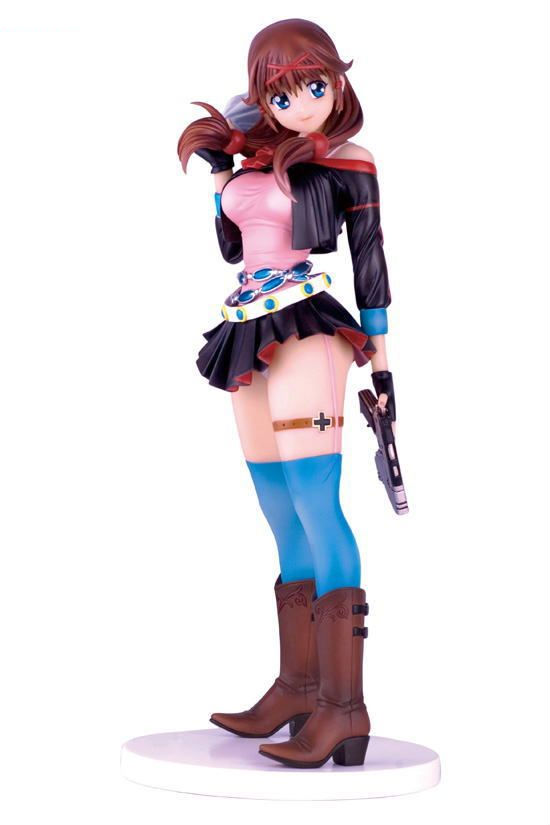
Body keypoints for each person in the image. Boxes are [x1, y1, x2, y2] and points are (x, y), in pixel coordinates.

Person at [177, 18, 396, 769]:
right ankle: (299, 687)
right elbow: (233, 248)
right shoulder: (253, 159)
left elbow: (370, 258)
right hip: (246, 322)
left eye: (314, 85)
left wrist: (382, 361)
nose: (301, 103)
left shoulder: (348, 162)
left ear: (337, 81)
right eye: (281, 92)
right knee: (276, 505)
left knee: (314, 498)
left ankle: (344, 707)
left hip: (306, 326)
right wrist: (220, 173)